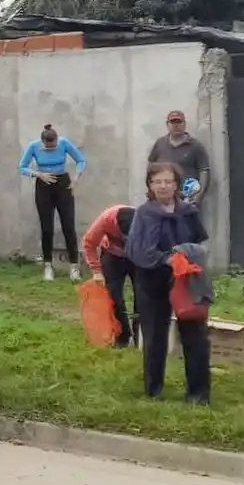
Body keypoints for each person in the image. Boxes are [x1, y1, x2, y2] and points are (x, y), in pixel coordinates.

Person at [125, 162, 211, 404]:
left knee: (195, 336)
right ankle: (154, 390)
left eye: (168, 181)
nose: (163, 186)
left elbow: (198, 242)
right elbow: (138, 250)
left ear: (176, 185)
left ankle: (198, 394)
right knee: (155, 336)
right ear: (150, 185)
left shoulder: (188, 211)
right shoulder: (144, 213)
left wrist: (188, 261)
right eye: (157, 182)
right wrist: (168, 259)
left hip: (186, 281)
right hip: (152, 281)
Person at [19, 124, 88, 281]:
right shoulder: (33, 147)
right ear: (42, 142)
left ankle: (74, 267)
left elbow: (81, 160)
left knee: (69, 226)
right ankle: (48, 266)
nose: (51, 149)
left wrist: (76, 177)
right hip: (43, 184)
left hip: (62, 183)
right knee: (47, 228)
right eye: (48, 147)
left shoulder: (64, 143)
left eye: (54, 147)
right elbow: (22, 167)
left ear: (57, 141)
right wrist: (38, 174)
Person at [82, 204, 137, 347]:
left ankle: (141, 337)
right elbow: (89, 242)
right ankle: (122, 336)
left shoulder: (145, 220)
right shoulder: (106, 219)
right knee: (113, 296)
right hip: (112, 256)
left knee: (143, 296)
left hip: (137, 257)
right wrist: (97, 271)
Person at [147, 111, 212, 208]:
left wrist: (199, 196)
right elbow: (151, 168)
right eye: (173, 122)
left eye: (179, 122)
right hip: (162, 198)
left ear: (184, 124)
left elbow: (204, 171)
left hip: (187, 199)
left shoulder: (195, 146)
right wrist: (151, 190)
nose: (176, 126)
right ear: (167, 125)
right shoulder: (160, 144)